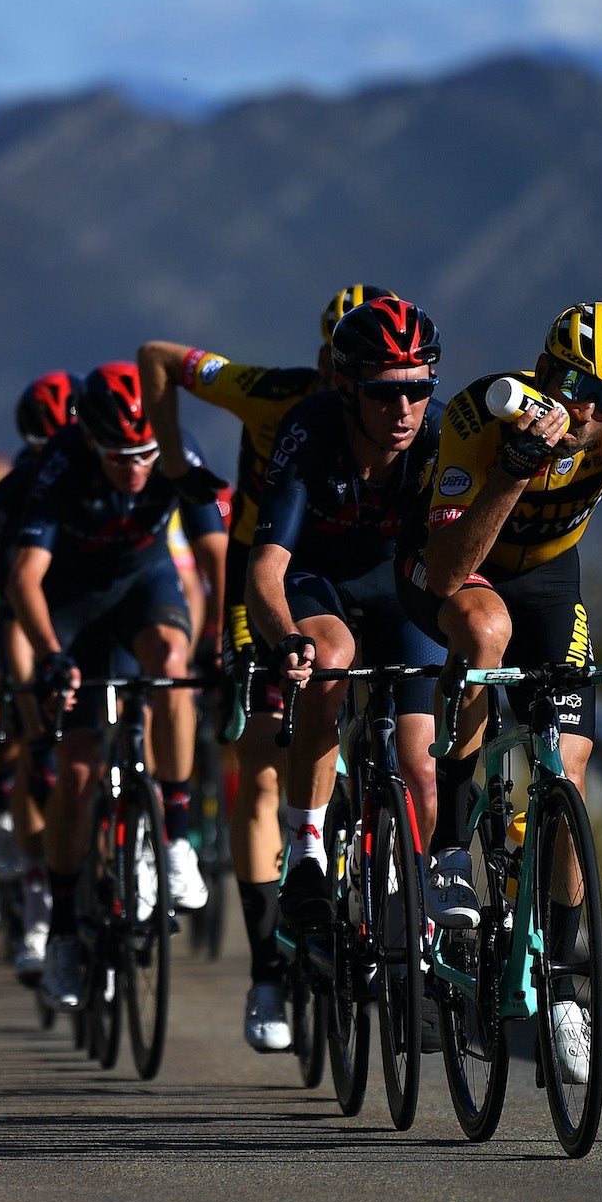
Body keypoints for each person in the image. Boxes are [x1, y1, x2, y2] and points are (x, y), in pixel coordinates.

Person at [400, 300, 602, 1083]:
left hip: (548, 580)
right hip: (456, 560)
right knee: (484, 631)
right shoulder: (478, 411)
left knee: (568, 759)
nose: (585, 405)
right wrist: (514, 469)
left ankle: (566, 982)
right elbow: (446, 570)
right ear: (543, 367)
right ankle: (449, 851)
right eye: (570, 382)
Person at [138, 283, 399, 1051]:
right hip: (271, 582)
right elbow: (158, 357)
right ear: (326, 360)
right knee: (256, 769)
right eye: (348, 369)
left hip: (358, 582)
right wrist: (182, 466)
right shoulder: (274, 393)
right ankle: (266, 972)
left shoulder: (405, 421)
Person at [248, 294, 449, 1045]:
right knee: (329, 661)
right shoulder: (310, 432)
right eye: (383, 391)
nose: (404, 407)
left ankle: (412, 919)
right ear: (348, 389)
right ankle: (304, 851)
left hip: (403, 594)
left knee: (419, 770)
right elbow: (265, 569)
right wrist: (281, 640)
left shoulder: (437, 441)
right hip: (319, 588)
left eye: (418, 387)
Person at [9, 361, 228, 1011]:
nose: (135, 470)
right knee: (75, 775)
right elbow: (25, 577)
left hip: (142, 586)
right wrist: (49, 655)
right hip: (70, 604)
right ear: (90, 439)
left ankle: (177, 837)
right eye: (118, 456)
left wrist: (217, 633)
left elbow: (215, 554)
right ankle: (66, 934)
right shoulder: (61, 464)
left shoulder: (175, 448)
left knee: (172, 661)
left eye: (144, 455)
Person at [0, 371, 79, 978]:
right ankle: (39, 908)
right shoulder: (7, 504)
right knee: (43, 757)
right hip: (27, 619)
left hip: (92, 614)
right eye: (45, 448)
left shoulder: (111, 472)